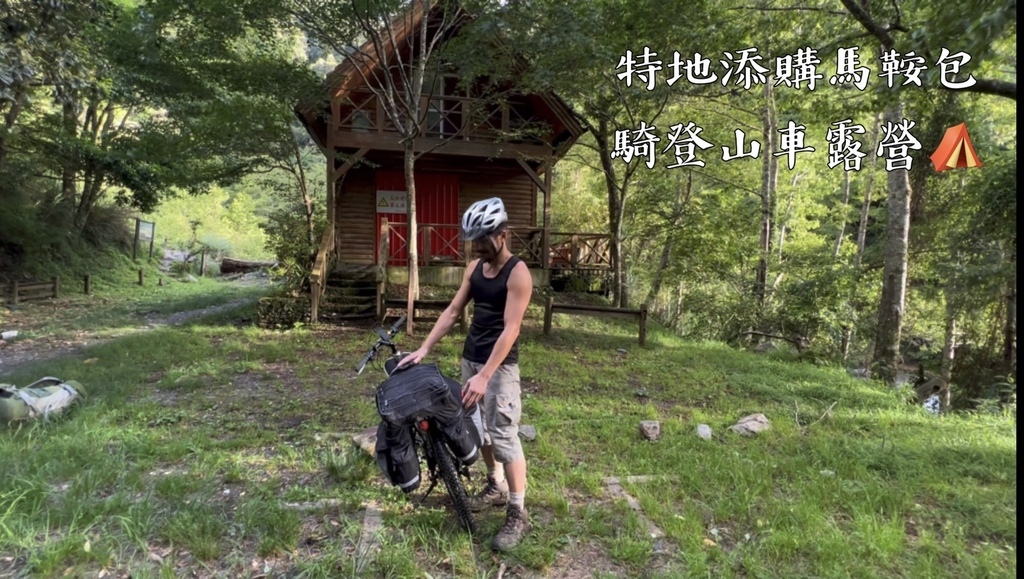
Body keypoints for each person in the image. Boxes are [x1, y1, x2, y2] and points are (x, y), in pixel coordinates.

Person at [396, 196, 533, 552]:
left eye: (484, 240)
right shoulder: (474, 268)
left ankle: (518, 511)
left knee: (504, 433)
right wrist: (424, 348)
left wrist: (486, 375)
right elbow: (454, 310)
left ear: (502, 235)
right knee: (479, 429)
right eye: (473, 241)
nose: (478, 247)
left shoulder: (518, 274)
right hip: (471, 361)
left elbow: (511, 329)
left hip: (498, 367)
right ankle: (495, 485)